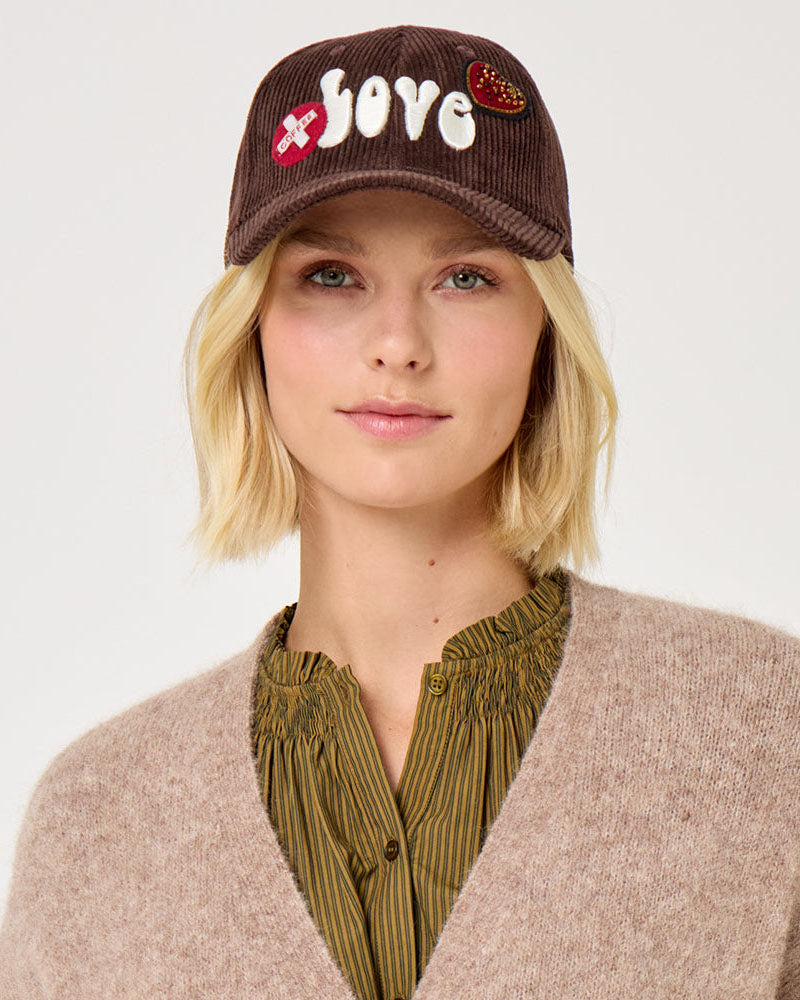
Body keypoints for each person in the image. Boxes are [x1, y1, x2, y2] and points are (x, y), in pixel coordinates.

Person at [1, 23, 798, 1000]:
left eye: (466, 278)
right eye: (330, 276)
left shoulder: (762, 734)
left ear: (545, 333)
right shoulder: (95, 822)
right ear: (252, 331)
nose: (396, 343)